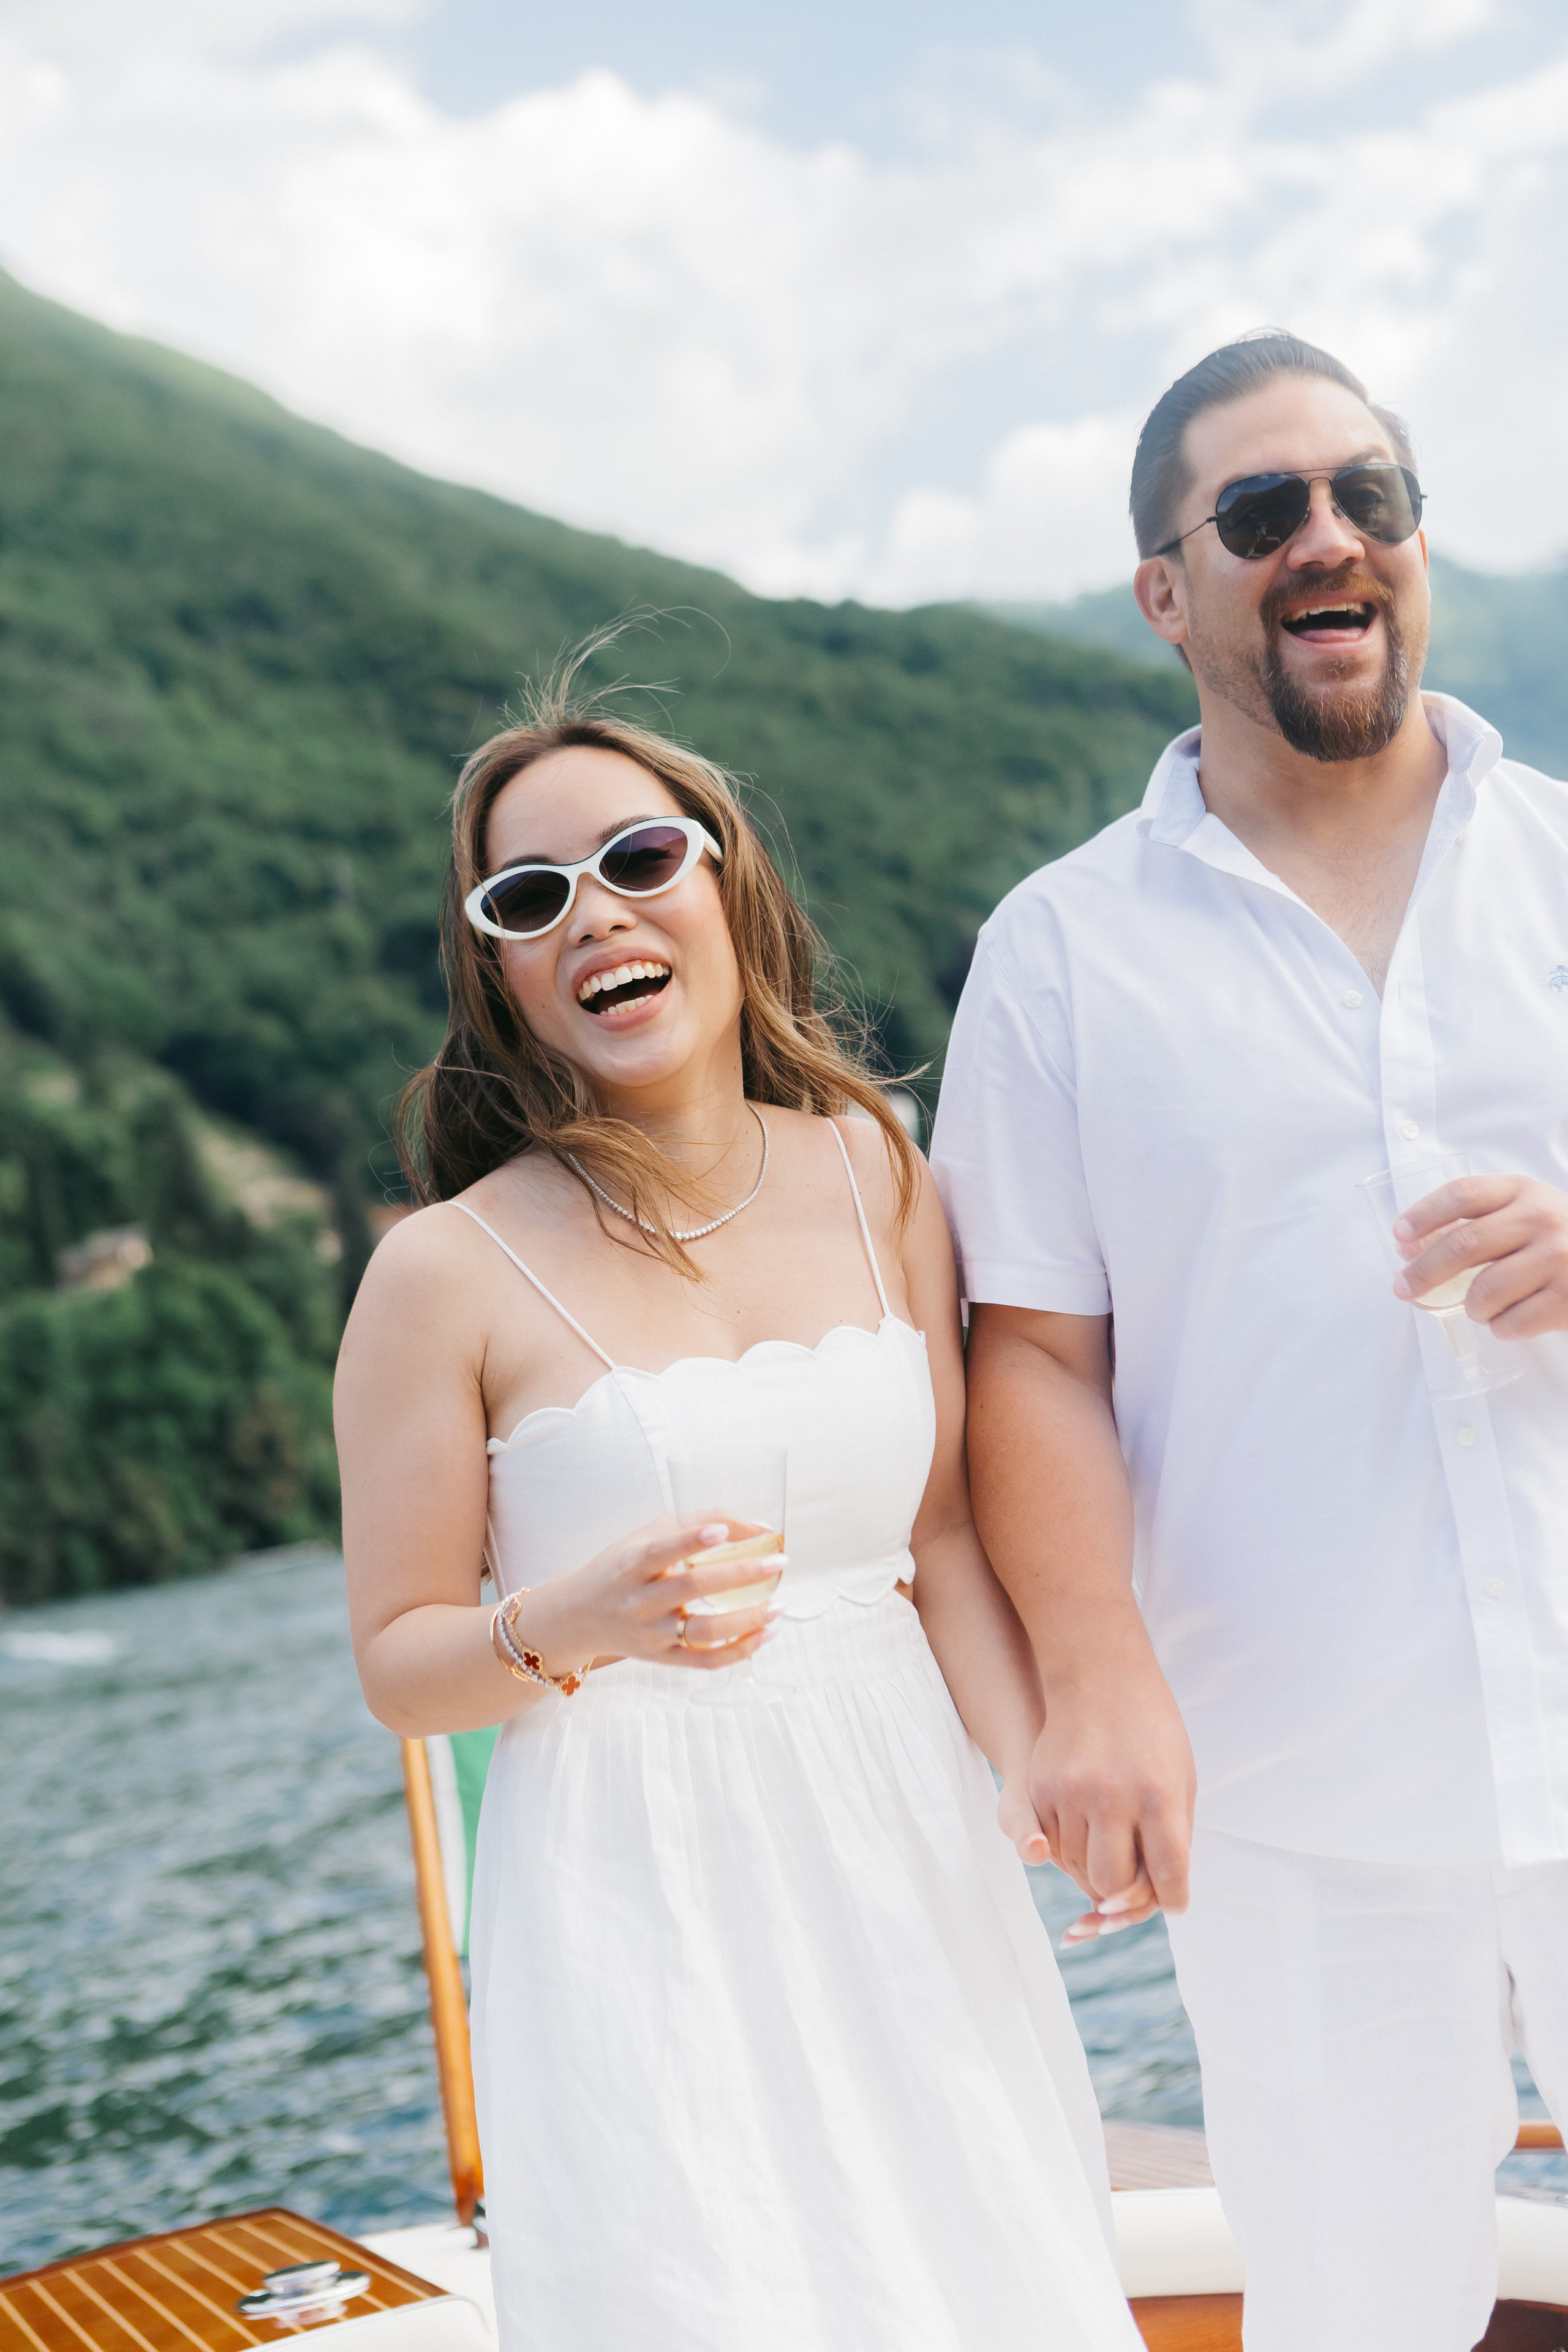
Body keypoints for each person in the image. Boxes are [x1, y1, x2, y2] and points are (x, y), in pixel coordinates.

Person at [334, 672, 1143, 2352]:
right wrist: (568, 1625)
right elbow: (402, 1665)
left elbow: (942, 1546)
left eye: (639, 859)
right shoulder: (435, 1274)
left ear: (724, 879)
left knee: (993, 2275)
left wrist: (1037, 1776)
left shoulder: (879, 1170)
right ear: (496, 962)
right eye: (532, 896)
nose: (596, 917)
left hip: (903, 1837)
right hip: (630, 1883)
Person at [932, 330, 1568, 2352]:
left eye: (1368, 495)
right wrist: (1093, 1677)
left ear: (1412, 543)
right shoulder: (1058, 951)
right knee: (1352, 2319)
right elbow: (1025, 1353)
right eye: (1263, 510)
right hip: (1297, 1796)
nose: (1328, 541)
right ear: (1166, 588)